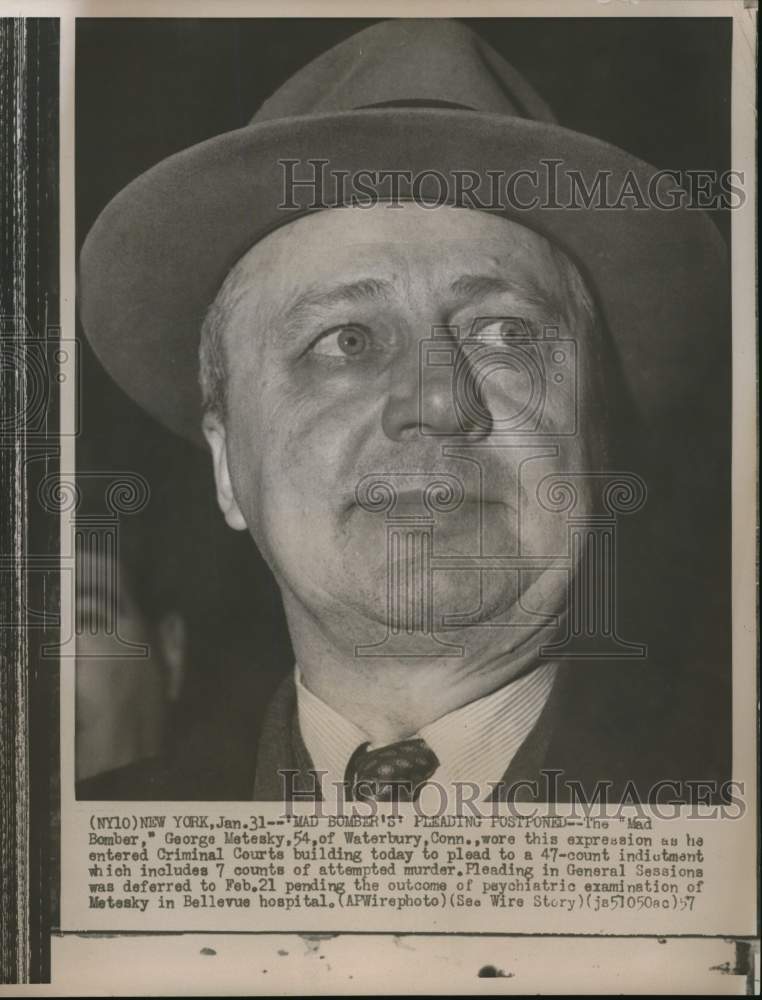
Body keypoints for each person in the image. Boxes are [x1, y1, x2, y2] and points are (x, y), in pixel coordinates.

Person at [78, 19, 730, 803]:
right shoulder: (91, 843)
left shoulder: (731, 830)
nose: (437, 403)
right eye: (346, 341)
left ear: (595, 433)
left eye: (507, 333)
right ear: (225, 467)